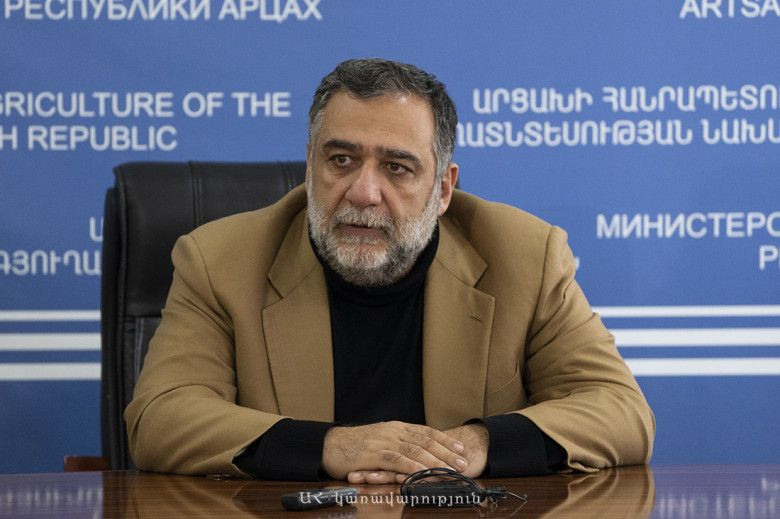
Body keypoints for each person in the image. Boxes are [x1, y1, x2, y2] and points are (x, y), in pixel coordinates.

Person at [125, 58, 654, 483]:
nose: (363, 192)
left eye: (397, 167)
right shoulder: (219, 260)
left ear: (443, 189)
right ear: (310, 165)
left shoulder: (524, 256)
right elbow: (161, 418)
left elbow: (620, 411)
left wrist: (475, 445)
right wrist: (334, 445)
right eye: (341, 160)